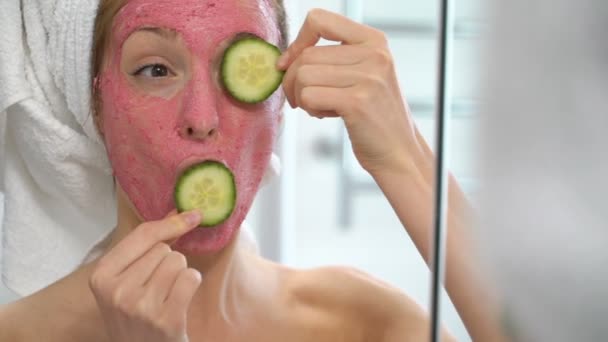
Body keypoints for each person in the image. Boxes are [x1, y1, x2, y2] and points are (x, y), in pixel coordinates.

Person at [0, 0, 506, 341]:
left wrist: (406, 159)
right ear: (95, 105)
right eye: (155, 69)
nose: (201, 119)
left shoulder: (366, 322)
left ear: (279, 104)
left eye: (239, 70)